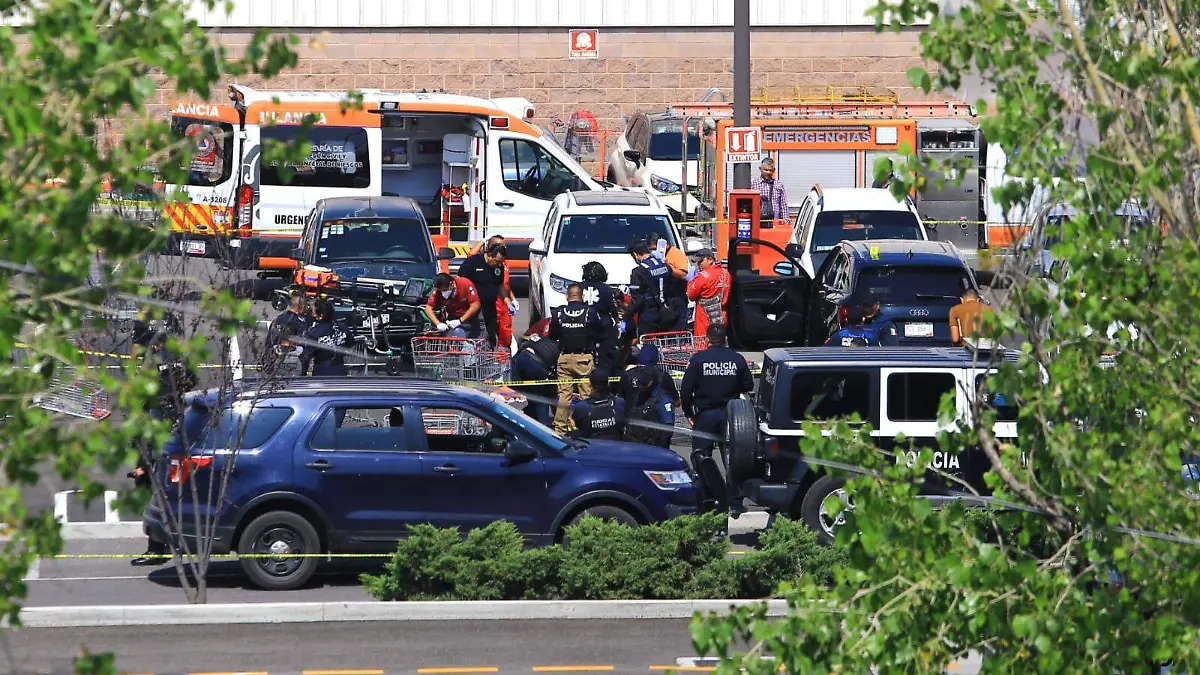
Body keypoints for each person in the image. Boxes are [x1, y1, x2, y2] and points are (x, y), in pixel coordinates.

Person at [130, 329, 197, 567]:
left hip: (159, 440)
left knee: (155, 495)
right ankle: (171, 543)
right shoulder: (182, 361)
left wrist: (142, 465)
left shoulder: (154, 374)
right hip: (181, 435)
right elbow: (193, 382)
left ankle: (157, 548)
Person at [680, 325, 754, 454]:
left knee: (701, 456)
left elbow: (686, 390)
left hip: (705, 414)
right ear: (725, 339)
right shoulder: (737, 359)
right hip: (731, 414)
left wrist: (689, 413)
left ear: (707, 339)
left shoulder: (698, 359)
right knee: (733, 457)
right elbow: (749, 385)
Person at [550, 284, 605, 433]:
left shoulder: (559, 313)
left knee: (564, 396)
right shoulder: (590, 312)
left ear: (568, 296)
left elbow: (552, 335)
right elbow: (600, 332)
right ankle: (587, 426)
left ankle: (560, 429)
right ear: (582, 296)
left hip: (564, 358)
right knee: (586, 395)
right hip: (584, 358)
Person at [619, 343, 679, 449]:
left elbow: (620, 399)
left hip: (633, 428)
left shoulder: (626, 376)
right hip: (655, 430)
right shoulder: (663, 376)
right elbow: (677, 401)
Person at [468, 235, 517, 350]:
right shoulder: (485, 260)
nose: (504, 248)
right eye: (501, 245)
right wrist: (484, 240)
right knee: (486, 333)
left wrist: (512, 299)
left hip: (503, 302)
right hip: (491, 303)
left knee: (505, 333)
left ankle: (503, 361)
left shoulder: (502, 263)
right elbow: (471, 255)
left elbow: (505, 284)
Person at [457, 242, 507, 347]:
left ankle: (490, 354)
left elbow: (500, 285)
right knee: (477, 334)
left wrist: (508, 301)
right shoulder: (473, 262)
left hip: (490, 307)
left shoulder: (499, 267)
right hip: (474, 307)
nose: (499, 264)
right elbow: (460, 281)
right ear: (489, 255)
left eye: (501, 262)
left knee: (491, 333)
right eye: (497, 261)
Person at [511, 318, 559, 426]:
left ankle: (528, 424)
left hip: (519, 358)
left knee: (528, 393)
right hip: (535, 363)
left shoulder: (543, 336)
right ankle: (543, 428)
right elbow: (553, 390)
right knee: (541, 397)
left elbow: (525, 338)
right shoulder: (560, 348)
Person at [624, 239, 675, 338]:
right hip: (667, 312)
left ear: (635, 254)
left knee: (649, 346)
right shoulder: (664, 265)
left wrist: (626, 317)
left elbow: (637, 299)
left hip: (649, 314)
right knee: (665, 346)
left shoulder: (639, 272)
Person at [580, 261, 620, 376]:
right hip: (603, 325)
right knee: (606, 355)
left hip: (584, 325)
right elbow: (611, 308)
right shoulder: (605, 288)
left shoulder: (579, 287)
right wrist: (617, 322)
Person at [685, 248, 731, 339]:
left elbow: (691, 295)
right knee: (719, 341)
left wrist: (691, 281)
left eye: (701, 261)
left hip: (704, 317)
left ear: (710, 259)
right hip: (721, 315)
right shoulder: (726, 273)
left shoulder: (702, 276)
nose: (699, 265)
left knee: (703, 344)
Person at [423, 272, 484, 339]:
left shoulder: (464, 284)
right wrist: (438, 324)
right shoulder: (438, 292)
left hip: (472, 317)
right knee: (451, 336)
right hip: (453, 318)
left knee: (473, 339)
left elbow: (475, 305)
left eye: (444, 290)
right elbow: (428, 308)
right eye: (441, 291)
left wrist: (460, 321)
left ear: (451, 284)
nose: (443, 293)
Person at [570, 371, 626, 441]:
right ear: (608, 384)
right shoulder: (619, 402)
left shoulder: (581, 407)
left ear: (590, 385)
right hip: (617, 446)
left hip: (591, 447)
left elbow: (577, 429)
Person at [650, 232, 690, 330]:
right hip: (661, 297)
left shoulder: (676, 254)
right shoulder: (653, 256)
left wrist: (668, 268)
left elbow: (683, 275)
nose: (653, 251)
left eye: (655, 248)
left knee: (677, 328)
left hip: (676, 296)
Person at [301, 298, 350, 376]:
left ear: (321, 316)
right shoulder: (343, 328)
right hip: (340, 373)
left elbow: (306, 356)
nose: (312, 314)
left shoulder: (314, 333)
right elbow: (350, 344)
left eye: (314, 313)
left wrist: (303, 374)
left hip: (321, 374)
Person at [750, 157, 789, 228]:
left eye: (770, 170)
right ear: (760, 169)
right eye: (766, 170)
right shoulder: (753, 184)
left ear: (774, 170)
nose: (768, 172)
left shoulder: (779, 185)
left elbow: (783, 206)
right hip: (757, 224)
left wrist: (785, 223)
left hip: (774, 224)